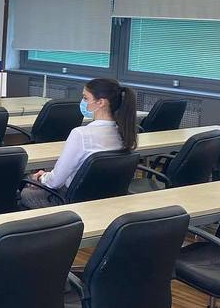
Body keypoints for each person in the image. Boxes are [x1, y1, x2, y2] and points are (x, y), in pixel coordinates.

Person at [18, 78, 137, 209]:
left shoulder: (81, 134)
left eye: (85, 98)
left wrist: (41, 177)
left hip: (74, 201)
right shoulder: (124, 134)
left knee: (26, 192)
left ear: (101, 102)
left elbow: (55, 182)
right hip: (106, 199)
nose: (82, 102)